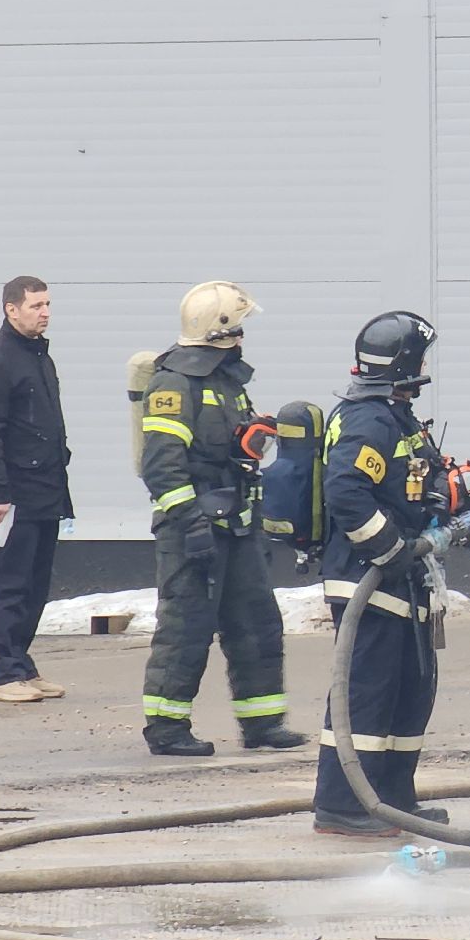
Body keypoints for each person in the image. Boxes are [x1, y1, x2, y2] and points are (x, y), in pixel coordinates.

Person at [313, 311, 470, 836]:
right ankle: (344, 806)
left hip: (406, 581)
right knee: (367, 698)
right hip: (369, 583)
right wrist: (389, 548)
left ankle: (394, 799)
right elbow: (346, 491)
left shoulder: (395, 417)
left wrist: (464, 524)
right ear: (406, 362)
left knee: (408, 695)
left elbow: (417, 487)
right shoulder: (368, 420)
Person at [137, 281, 307, 757]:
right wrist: (191, 525)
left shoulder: (227, 381)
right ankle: (167, 729)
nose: (244, 336)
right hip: (192, 530)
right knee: (186, 628)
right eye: (240, 325)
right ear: (220, 329)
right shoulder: (173, 383)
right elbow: (161, 466)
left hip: (238, 524)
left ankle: (262, 723)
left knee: (256, 622)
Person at [0, 276, 73, 704]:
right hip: (11, 495)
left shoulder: (39, 356)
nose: (45, 312)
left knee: (35, 583)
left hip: (46, 489)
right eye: (35, 306)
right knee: (8, 583)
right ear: (11, 309)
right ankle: (1, 675)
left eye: (47, 304)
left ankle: (21, 665)